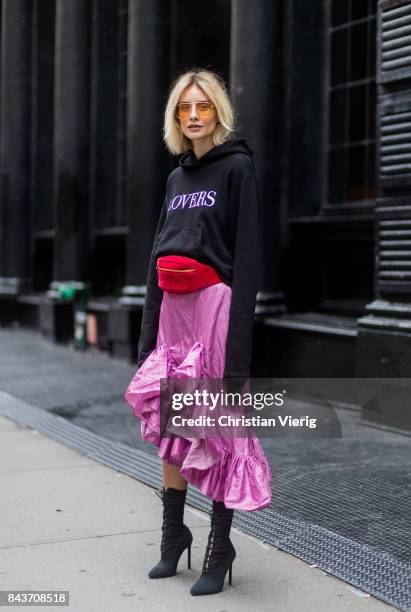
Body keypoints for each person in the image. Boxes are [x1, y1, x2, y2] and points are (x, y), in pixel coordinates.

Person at [124, 68, 272, 596]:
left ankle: (220, 543)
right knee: (171, 428)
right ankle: (173, 535)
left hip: (215, 311)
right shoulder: (175, 178)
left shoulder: (238, 170)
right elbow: (156, 260)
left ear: (217, 112)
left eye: (201, 107)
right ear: (175, 115)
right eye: (184, 107)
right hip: (172, 316)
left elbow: (248, 263)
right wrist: (146, 341)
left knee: (215, 428)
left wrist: (237, 357)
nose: (192, 115)